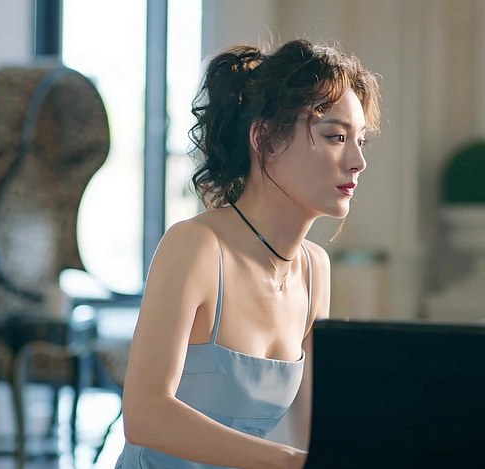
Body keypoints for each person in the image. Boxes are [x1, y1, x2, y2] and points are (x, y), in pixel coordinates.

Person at [114, 38, 381, 468]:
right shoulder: (196, 247)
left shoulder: (315, 269)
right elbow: (144, 415)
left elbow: (319, 434)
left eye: (361, 141)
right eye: (335, 136)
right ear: (265, 139)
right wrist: (289, 463)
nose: (357, 161)